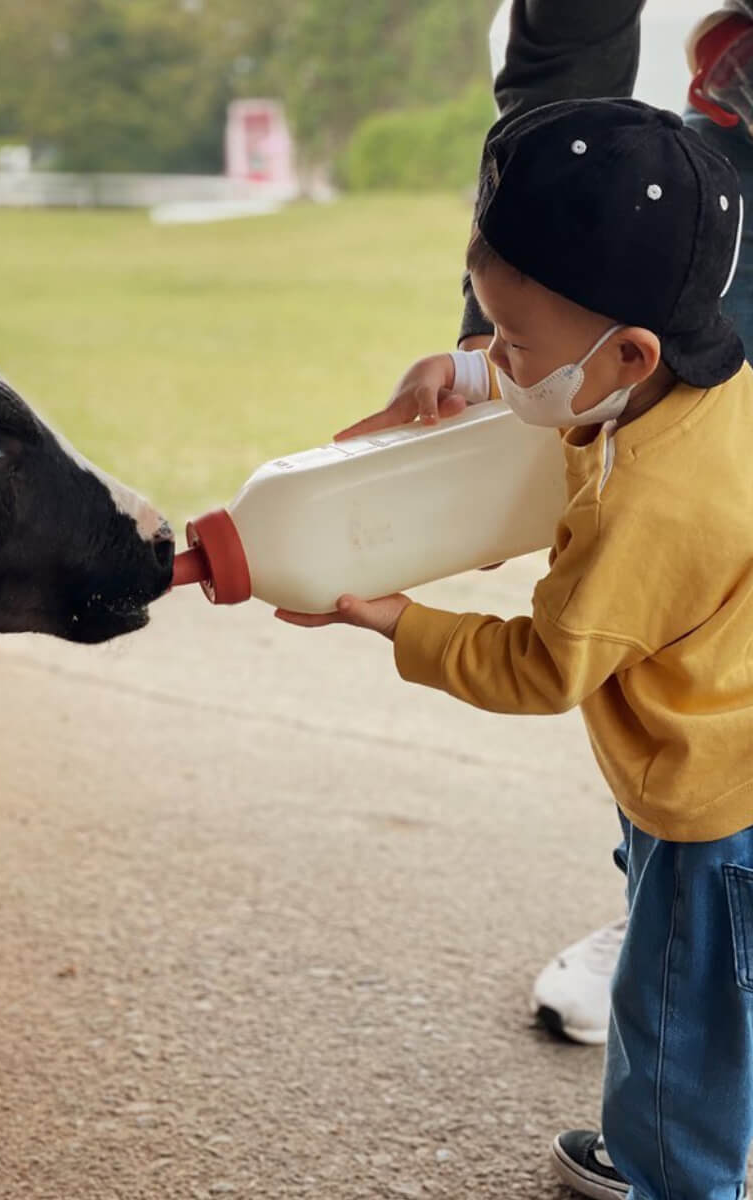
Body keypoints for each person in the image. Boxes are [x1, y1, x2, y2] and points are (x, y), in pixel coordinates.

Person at [289, 99, 753, 1200]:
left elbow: (542, 668)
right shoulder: (691, 389)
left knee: (678, 1009)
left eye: (511, 342)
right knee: (710, 988)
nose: (498, 356)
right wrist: (469, 377)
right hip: (722, 744)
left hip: (713, 801)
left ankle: (674, 1178)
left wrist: (395, 619)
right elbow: (567, 392)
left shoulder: (649, 508)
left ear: (631, 350)